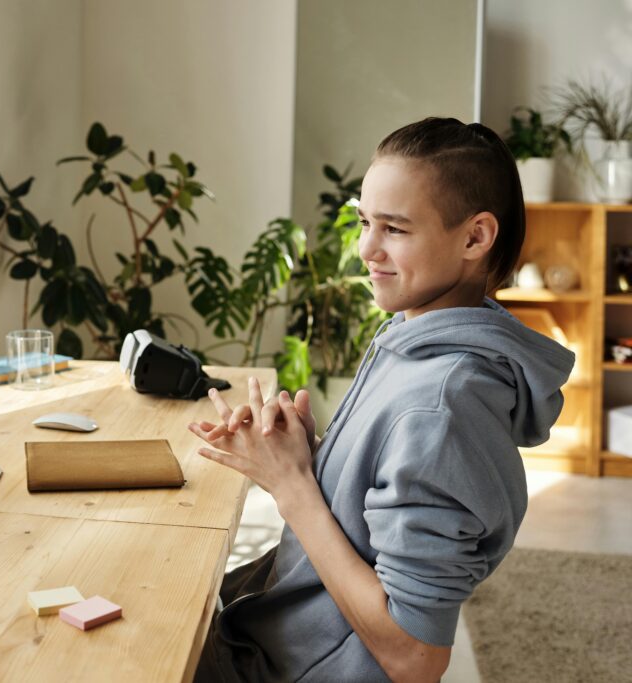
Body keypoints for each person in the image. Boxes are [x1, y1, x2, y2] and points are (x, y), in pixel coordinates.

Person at [188, 117, 575, 683]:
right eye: (366, 221)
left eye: (394, 229)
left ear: (474, 237)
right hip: (265, 641)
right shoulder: (417, 336)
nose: (367, 249)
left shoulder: (443, 407)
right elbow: (383, 503)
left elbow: (416, 657)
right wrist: (303, 455)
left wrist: (293, 488)